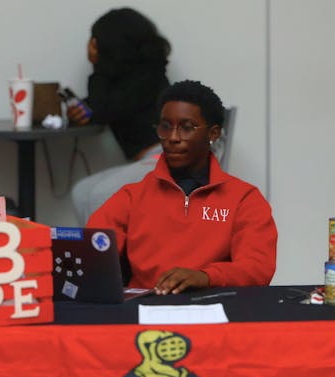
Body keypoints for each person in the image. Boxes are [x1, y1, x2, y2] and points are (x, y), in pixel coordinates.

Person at [87, 80, 277, 295]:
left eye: (186, 128)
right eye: (165, 127)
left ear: (213, 134)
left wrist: (206, 277)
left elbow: (257, 268)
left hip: (216, 311)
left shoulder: (244, 198)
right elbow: (90, 255)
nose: (173, 138)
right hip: (144, 310)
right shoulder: (131, 197)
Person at [68, 8, 170, 226]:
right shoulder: (129, 79)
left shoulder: (148, 76)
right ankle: (96, 258)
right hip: (149, 161)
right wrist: (83, 111)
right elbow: (102, 107)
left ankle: (104, 259)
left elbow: (103, 108)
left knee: (100, 195)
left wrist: (97, 65)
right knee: (82, 192)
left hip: (167, 159)